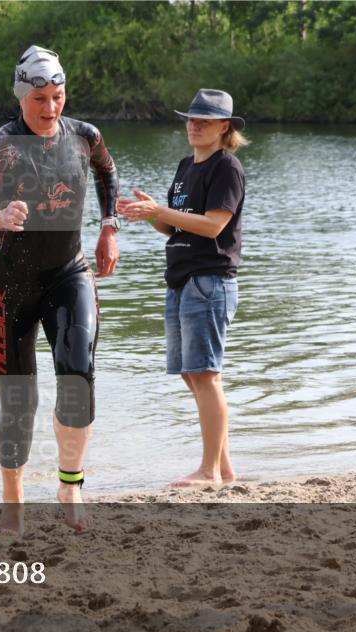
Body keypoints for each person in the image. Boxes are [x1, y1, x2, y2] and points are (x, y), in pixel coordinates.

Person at [0, 45, 121, 532]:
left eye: (58, 97)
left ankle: (70, 485)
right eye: (39, 99)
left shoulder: (85, 136)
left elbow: (108, 173)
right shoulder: (2, 147)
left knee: (77, 377)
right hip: (8, 287)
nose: (50, 108)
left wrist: (109, 225)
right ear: (21, 97)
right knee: (19, 401)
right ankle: (13, 499)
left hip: (69, 274)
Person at [118, 88, 248, 488]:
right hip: (180, 279)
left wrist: (161, 210)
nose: (194, 126)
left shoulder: (226, 167)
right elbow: (175, 225)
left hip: (210, 279)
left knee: (204, 374)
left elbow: (213, 226)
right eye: (191, 119)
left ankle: (208, 471)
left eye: (204, 121)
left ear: (224, 127)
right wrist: (151, 214)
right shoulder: (186, 165)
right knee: (192, 375)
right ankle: (224, 470)